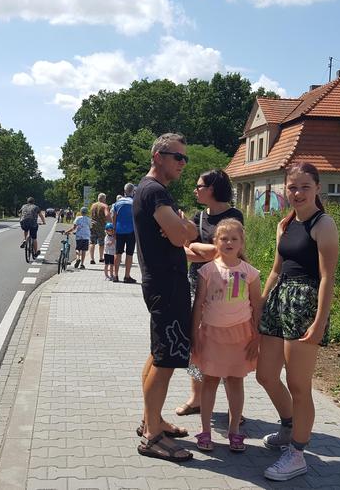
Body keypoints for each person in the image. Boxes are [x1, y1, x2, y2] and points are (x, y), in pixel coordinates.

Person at [257, 162, 339, 481]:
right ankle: (289, 427)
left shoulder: (324, 224)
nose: (298, 193)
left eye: (305, 186)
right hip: (279, 302)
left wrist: (319, 321)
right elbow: (277, 270)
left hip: (305, 305)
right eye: (292, 187)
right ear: (285, 189)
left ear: (317, 187)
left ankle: (298, 453)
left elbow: (327, 277)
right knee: (265, 375)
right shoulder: (284, 224)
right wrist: (261, 304)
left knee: (299, 385)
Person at [133, 133, 198, 462]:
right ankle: (152, 437)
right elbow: (180, 236)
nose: (183, 163)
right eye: (178, 157)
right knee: (166, 360)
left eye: (184, 158)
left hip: (161, 283)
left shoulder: (150, 190)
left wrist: (183, 227)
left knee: (159, 353)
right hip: (166, 285)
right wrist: (186, 227)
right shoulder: (155, 191)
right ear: (159, 156)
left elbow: (181, 234)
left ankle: (152, 419)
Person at [177, 170, 245, 418]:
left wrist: (200, 248)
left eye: (199, 186)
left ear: (213, 188)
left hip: (226, 291)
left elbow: (229, 252)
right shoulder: (199, 216)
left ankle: (233, 407)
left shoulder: (233, 216)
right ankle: (195, 398)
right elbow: (186, 250)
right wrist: (204, 249)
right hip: (197, 285)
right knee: (196, 345)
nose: (196, 190)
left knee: (226, 345)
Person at [190, 219, 261, 453]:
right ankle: (205, 431)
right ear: (215, 242)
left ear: (242, 243)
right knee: (208, 380)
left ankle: (234, 431)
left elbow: (257, 306)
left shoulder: (250, 272)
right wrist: (194, 335)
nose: (228, 242)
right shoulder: (207, 270)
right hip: (210, 333)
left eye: (234, 239)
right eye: (224, 238)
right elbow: (198, 303)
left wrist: (257, 337)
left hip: (241, 335)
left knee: (235, 381)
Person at [111, 183, 137, 283]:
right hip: (131, 231)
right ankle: (127, 276)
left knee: (118, 253)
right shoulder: (134, 202)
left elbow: (114, 216)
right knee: (129, 254)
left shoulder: (117, 203)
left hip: (119, 230)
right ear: (133, 191)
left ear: (124, 191)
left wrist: (113, 229)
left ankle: (115, 275)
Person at [89, 193, 110, 265]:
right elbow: (107, 215)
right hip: (101, 226)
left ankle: (92, 259)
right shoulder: (104, 206)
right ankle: (101, 258)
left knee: (92, 242)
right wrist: (110, 222)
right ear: (104, 199)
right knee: (101, 243)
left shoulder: (93, 205)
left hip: (92, 225)